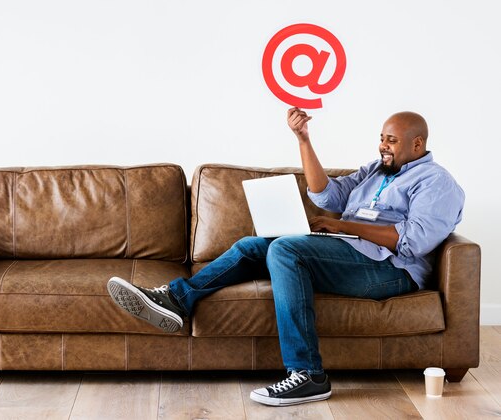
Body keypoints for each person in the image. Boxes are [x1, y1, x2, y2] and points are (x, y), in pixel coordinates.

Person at [106, 108, 465, 407]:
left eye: (392, 140)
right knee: (254, 245)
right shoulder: (375, 170)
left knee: (286, 248)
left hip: (389, 270)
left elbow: (412, 241)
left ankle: (309, 374)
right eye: (382, 138)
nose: (382, 146)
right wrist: (304, 140)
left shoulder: (437, 183)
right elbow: (328, 196)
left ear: (418, 144)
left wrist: (342, 227)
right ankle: (175, 299)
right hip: (349, 253)